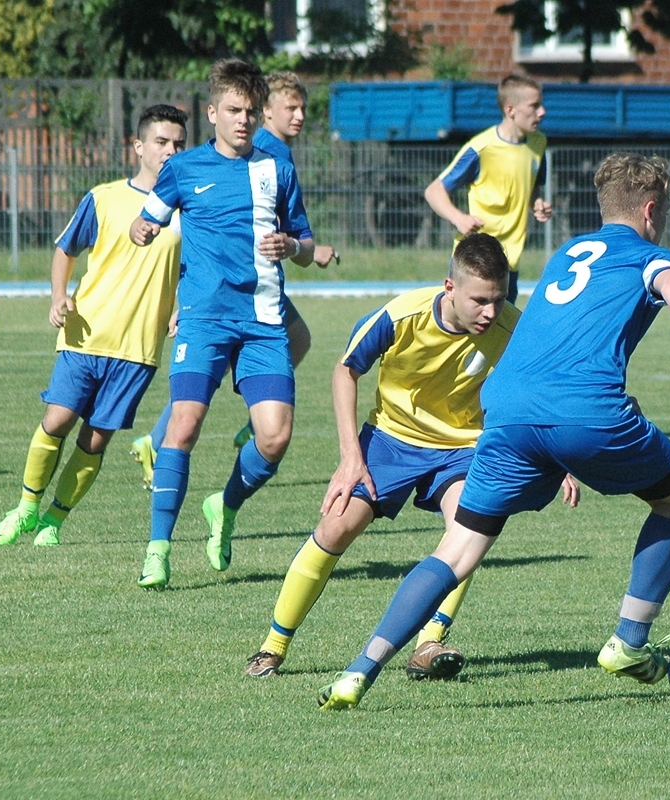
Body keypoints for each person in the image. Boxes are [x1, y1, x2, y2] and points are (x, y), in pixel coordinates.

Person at [318, 152, 670, 710]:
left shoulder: (564, 254)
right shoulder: (650, 254)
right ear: (652, 210)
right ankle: (628, 643)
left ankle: (357, 672)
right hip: (585, 412)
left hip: (507, 410)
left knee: (458, 548)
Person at [245, 232, 577, 680]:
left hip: (463, 446)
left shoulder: (513, 328)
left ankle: (429, 642)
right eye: (479, 300)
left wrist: (556, 458)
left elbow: (542, 390)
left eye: (498, 299)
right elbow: (346, 370)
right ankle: (273, 646)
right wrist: (350, 458)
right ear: (450, 288)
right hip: (390, 438)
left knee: (468, 529)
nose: (491, 312)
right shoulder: (402, 316)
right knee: (337, 524)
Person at [129, 59, 312, 589]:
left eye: (251, 112)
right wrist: (142, 229)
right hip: (204, 320)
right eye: (233, 110)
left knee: (274, 439)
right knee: (182, 428)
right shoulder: (183, 169)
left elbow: (304, 243)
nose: (243, 120)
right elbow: (152, 216)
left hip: (262, 320)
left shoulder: (277, 169)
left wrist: (293, 245)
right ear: (212, 113)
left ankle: (224, 506)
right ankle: (158, 549)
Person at [0, 105, 189, 548]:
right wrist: (59, 296)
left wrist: (181, 307)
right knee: (57, 420)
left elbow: (190, 270)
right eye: (161, 141)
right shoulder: (105, 198)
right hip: (87, 332)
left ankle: (55, 521)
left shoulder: (187, 210)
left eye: (178, 143)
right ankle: (25, 508)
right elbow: (65, 250)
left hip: (138, 348)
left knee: (95, 440)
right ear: (138, 147)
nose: (170, 150)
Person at [128, 71, 340, 489]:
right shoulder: (260, 150)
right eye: (289, 108)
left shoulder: (275, 156)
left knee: (295, 340)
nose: (298, 116)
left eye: (302, 108)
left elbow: (289, 230)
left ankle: (253, 415)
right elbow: (194, 231)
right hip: (227, 288)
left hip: (254, 283)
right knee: (230, 355)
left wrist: (301, 248)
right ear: (268, 111)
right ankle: (163, 438)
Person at [424, 74, 553, 304]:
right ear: (511, 110)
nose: (542, 112)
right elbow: (434, 191)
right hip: (473, 261)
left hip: (508, 262)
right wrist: (459, 218)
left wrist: (537, 203)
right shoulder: (481, 149)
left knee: (499, 335)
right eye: (534, 106)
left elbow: (530, 185)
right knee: (464, 331)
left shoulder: (538, 143)